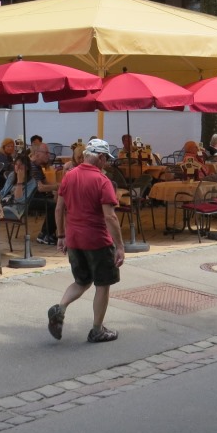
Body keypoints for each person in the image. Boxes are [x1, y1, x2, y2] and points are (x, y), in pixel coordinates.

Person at [47, 139, 125, 344]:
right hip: (97, 240)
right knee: (103, 284)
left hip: (73, 238)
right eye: (106, 159)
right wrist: (119, 246)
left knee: (81, 281)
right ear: (100, 157)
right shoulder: (102, 181)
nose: (106, 163)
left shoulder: (69, 176)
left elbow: (59, 208)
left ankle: (60, 308)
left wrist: (61, 236)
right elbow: (110, 217)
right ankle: (97, 330)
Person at [31, 143, 62, 245]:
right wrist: (57, 187)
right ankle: (45, 234)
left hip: (37, 196)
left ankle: (49, 233)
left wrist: (58, 189)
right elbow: (40, 188)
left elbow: (46, 184)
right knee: (53, 205)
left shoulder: (37, 166)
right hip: (29, 199)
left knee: (60, 202)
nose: (48, 155)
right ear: (37, 153)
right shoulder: (31, 167)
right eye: (46, 153)